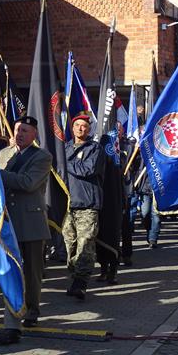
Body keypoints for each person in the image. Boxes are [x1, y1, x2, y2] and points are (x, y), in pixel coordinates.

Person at [0, 115, 52, 345]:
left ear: (34, 134)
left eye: (25, 131)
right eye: (17, 130)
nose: (20, 134)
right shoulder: (4, 154)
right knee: (11, 272)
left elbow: (28, 183)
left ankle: (33, 308)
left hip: (31, 223)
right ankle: (12, 324)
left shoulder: (42, 157)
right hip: (7, 223)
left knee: (32, 274)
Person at [62, 114, 104, 300]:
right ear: (72, 128)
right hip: (67, 206)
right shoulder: (64, 147)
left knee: (85, 244)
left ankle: (81, 282)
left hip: (87, 205)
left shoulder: (95, 149)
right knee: (69, 244)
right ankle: (74, 274)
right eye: (77, 125)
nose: (81, 129)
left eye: (85, 126)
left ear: (89, 129)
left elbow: (86, 169)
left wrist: (64, 162)